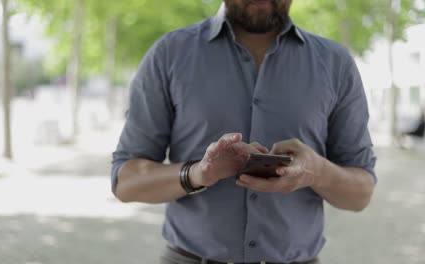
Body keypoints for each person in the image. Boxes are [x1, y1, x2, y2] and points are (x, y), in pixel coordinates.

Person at [111, 1, 377, 263]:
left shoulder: (336, 64)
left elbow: (360, 195)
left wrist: (317, 171)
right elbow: (126, 183)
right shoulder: (169, 54)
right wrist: (198, 173)